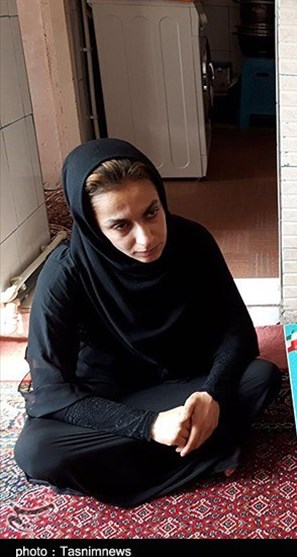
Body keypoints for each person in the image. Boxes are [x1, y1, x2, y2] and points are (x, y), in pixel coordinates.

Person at [13, 138, 281, 508]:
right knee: (37, 451)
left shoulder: (192, 241)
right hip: (109, 397)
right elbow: (52, 391)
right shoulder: (66, 273)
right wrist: (149, 426)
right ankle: (207, 451)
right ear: (93, 227)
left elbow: (237, 333)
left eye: (152, 213)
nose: (146, 238)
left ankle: (179, 445)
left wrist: (212, 395)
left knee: (261, 377)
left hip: (184, 381)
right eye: (121, 226)